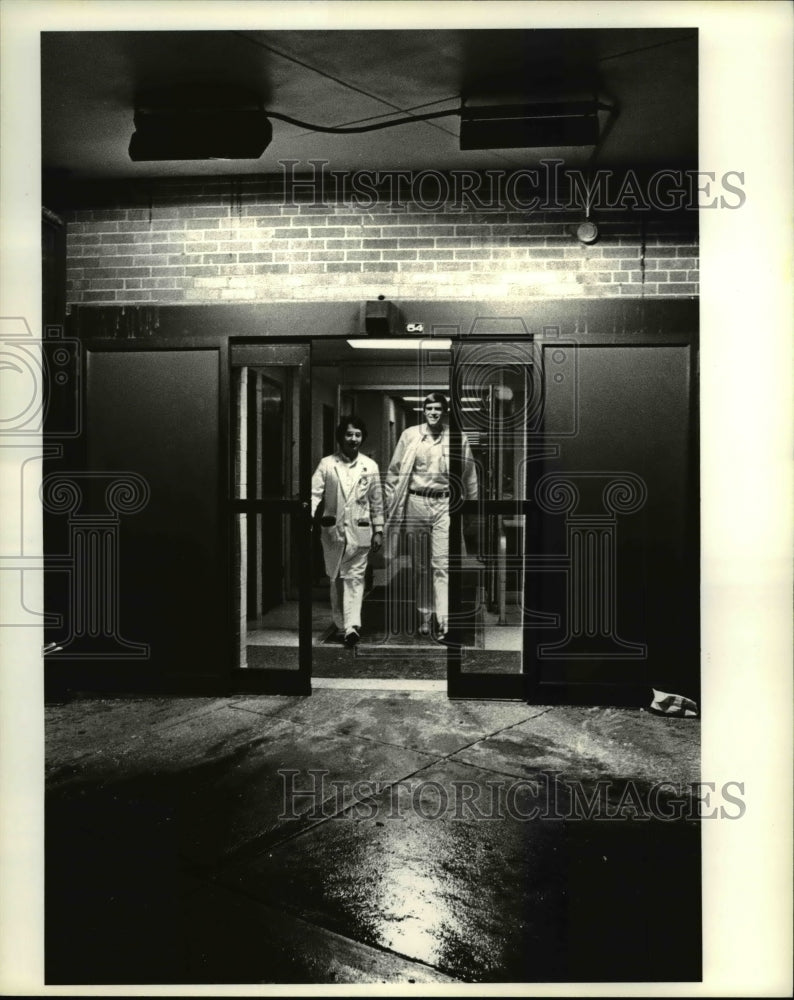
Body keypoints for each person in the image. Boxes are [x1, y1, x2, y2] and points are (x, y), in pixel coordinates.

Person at [384, 392, 478, 641]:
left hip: (444, 504)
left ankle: (443, 620)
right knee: (421, 566)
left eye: (438, 408)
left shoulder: (457, 437)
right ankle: (425, 615)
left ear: (444, 412)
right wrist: (390, 505)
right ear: (423, 411)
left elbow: (469, 474)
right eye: (429, 408)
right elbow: (394, 472)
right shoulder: (410, 435)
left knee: (442, 565)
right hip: (416, 502)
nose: (434, 412)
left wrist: (470, 507)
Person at [311, 416, 384, 647]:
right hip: (333, 532)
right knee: (336, 579)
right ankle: (341, 624)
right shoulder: (327, 464)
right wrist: (309, 518)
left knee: (355, 578)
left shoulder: (370, 466)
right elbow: (314, 494)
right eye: (349, 434)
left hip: (360, 530)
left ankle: (352, 626)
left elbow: (377, 500)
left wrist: (379, 529)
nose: (353, 439)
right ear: (341, 437)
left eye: (358, 435)